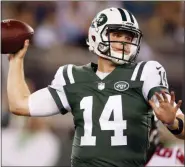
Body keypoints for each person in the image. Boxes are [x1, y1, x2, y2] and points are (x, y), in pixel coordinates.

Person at [7, 7, 184, 167]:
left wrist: (172, 122)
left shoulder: (145, 73)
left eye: (128, 37)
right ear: (95, 35)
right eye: (117, 35)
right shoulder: (72, 76)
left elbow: (181, 126)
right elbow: (20, 105)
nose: (123, 42)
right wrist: (16, 60)